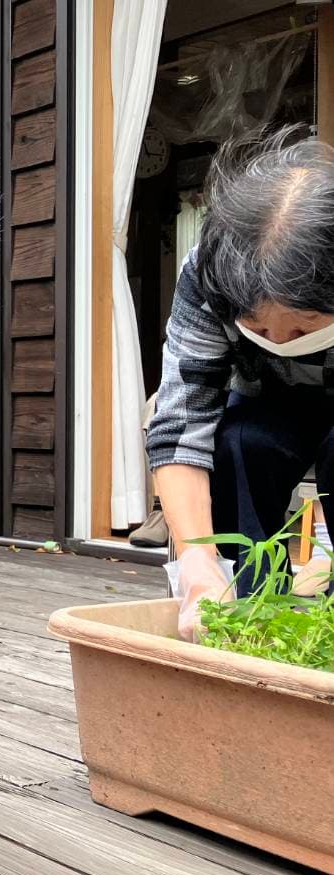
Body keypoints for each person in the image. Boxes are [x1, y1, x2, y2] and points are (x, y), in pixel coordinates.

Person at [146, 129, 334, 640]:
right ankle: (242, 613)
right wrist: (197, 562)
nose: (279, 340)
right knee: (237, 443)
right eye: (257, 326)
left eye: (303, 327)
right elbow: (181, 425)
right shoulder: (209, 273)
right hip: (264, 403)